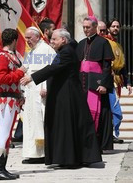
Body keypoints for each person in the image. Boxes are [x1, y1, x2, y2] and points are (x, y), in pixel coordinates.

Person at [20, 29, 102, 167]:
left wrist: (32, 77)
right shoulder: (65, 50)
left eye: (54, 39)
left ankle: (69, 159)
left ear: (63, 40)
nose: (51, 42)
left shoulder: (67, 52)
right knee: (65, 126)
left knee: (66, 126)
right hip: (64, 93)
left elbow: (52, 68)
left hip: (68, 95)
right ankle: (67, 158)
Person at [76, 16, 114, 151]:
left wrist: (104, 84)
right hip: (83, 83)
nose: (85, 30)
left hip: (97, 85)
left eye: (88, 27)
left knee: (99, 113)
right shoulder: (80, 43)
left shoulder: (103, 43)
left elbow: (106, 66)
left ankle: (97, 143)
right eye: (84, 27)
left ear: (95, 27)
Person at [0, 28, 26, 180]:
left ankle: (2, 168)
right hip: (5, 99)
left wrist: (20, 93)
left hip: (12, 98)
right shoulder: (2, 57)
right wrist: (21, 72)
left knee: (6, 135)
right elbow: (2, 79)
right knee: (3, 134)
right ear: (14, 41)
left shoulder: (12, 56)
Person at [22, 26, 56, 164]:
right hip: (30, 93)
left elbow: (51, 70)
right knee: (30, 123)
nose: (27, 41)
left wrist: (46, 87)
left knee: (39, 123)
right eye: (26, 38)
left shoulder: (47, 49)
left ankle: (42, 154)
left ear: (37, 36)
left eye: (29, 38)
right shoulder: (31, 52)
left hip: (40, 93)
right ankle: (32, 153)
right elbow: (24, 69)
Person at [105, 19, 132, 143]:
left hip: (118, 81)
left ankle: (113, 134)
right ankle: (111, 134)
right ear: (108, 28)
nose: (115, 28)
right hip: (109, 79)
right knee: (115, 110)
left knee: (114, 108)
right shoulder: (105, 42)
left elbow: (123, 66)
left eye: (117, 26)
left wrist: (128, 82)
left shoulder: (118, 45)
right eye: (113, 26)